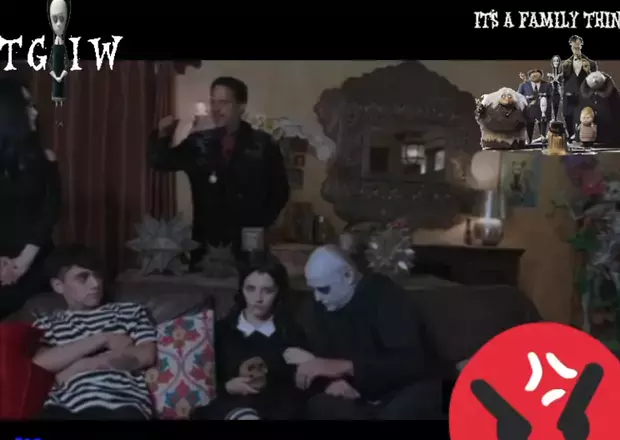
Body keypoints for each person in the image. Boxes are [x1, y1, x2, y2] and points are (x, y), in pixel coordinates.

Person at [147, 76, 290, 266]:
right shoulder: (198, 143)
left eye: (224, 102)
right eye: (213, 102)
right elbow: (161, 162)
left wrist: (258, 223)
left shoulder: (263, 145)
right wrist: (162, 135)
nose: (216, 109)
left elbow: (280, 191)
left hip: (248, 244)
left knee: (250, 282)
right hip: (206, 244)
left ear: (241, 106)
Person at [299, 245, 444, 420]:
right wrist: (330, 382)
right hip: (360, 398)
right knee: (318, 405)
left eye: (323, 289)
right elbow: (317, 357)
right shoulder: (321, 307)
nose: (317, 297)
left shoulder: (386, 296)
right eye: (313, 289)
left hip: (409, 388)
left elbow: (411, 363)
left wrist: (347, 367)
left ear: (348, 275)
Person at [32, 245, 157, 420]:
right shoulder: (47, 324)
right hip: (63, 407)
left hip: (121, 403)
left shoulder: (129, 311)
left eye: (97, 275)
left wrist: (79, 367)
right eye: (83, 278)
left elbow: (146, 355)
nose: (96, 284)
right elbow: (41, 363)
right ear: (59, 285)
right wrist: (103, 338)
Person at [191, 253, 312, 420]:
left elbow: (300, 389)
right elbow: (200, 384)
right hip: (230, 408)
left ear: (278, 292)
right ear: (241, 290)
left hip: (277, 411)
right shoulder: (220, 331)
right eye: (251, 289)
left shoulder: (291, 333)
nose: (258, 298)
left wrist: (310, 362)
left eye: (267, 291)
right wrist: (227, 387)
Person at [0, 77, 62, 320]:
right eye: (27, 105)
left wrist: (22, 263)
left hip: (34, 258)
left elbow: (51, 211)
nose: (35, 112)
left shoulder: (45, 158)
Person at [561, 35, 598, 140]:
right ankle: (571, 137)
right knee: (568, 116)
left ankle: (583, 138)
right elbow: (564, 80)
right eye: (574, 47)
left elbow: (595, 80)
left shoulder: (591, 63)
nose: (576, 49)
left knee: (585, 116)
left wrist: (588, 71)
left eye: (578, 46)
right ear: (570, 46)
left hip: (585, 94)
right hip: (569, 96)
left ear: (581, 45)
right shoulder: (565, 64)